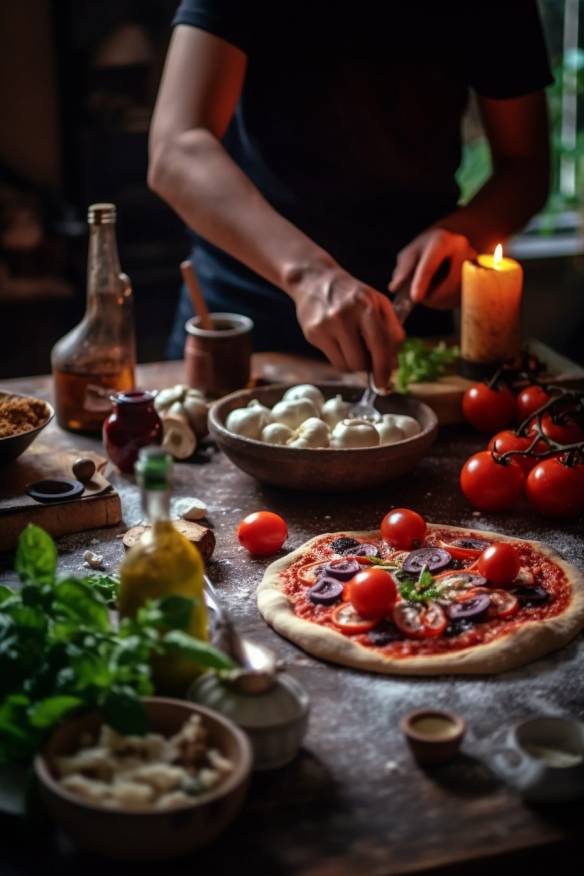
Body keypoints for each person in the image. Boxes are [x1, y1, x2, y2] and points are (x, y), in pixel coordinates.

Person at [149, 1, 552, 389]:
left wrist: (465, 230)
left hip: (407, 334)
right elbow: (175, 150)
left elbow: (525, 166)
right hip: (242, 326)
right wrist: (308, 273)